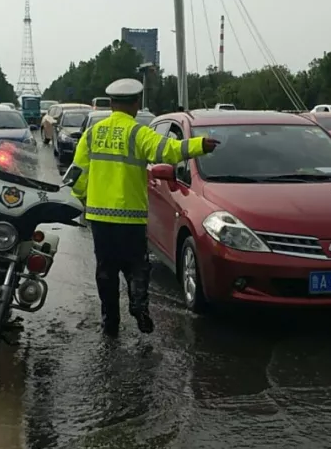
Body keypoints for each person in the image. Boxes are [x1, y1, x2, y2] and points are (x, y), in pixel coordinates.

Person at [64, 78, 220, 336]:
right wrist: (199, 145)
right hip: (131, 219)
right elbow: (168, 151)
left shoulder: (92, 134)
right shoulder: (138, 133)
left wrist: (84, 199)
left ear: (111, 103)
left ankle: (110, 322)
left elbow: (78, 173)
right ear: (136, 103)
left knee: (106, 270)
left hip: (100, 219)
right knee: (137, 266)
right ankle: (138, 304)